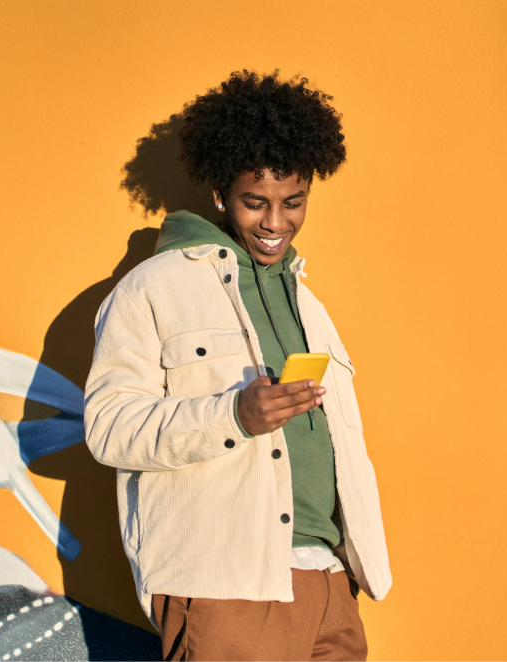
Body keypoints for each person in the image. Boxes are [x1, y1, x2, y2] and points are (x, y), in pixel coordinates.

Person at [84, 70, 391, 661]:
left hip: (329, 584)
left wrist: (346, 576)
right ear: (222, 196)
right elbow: (109, 428)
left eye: (293, 202)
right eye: (256, 203)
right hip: (227, 588)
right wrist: (233, 415)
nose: (276, 223)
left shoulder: (309, 302)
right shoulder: (153, 289)